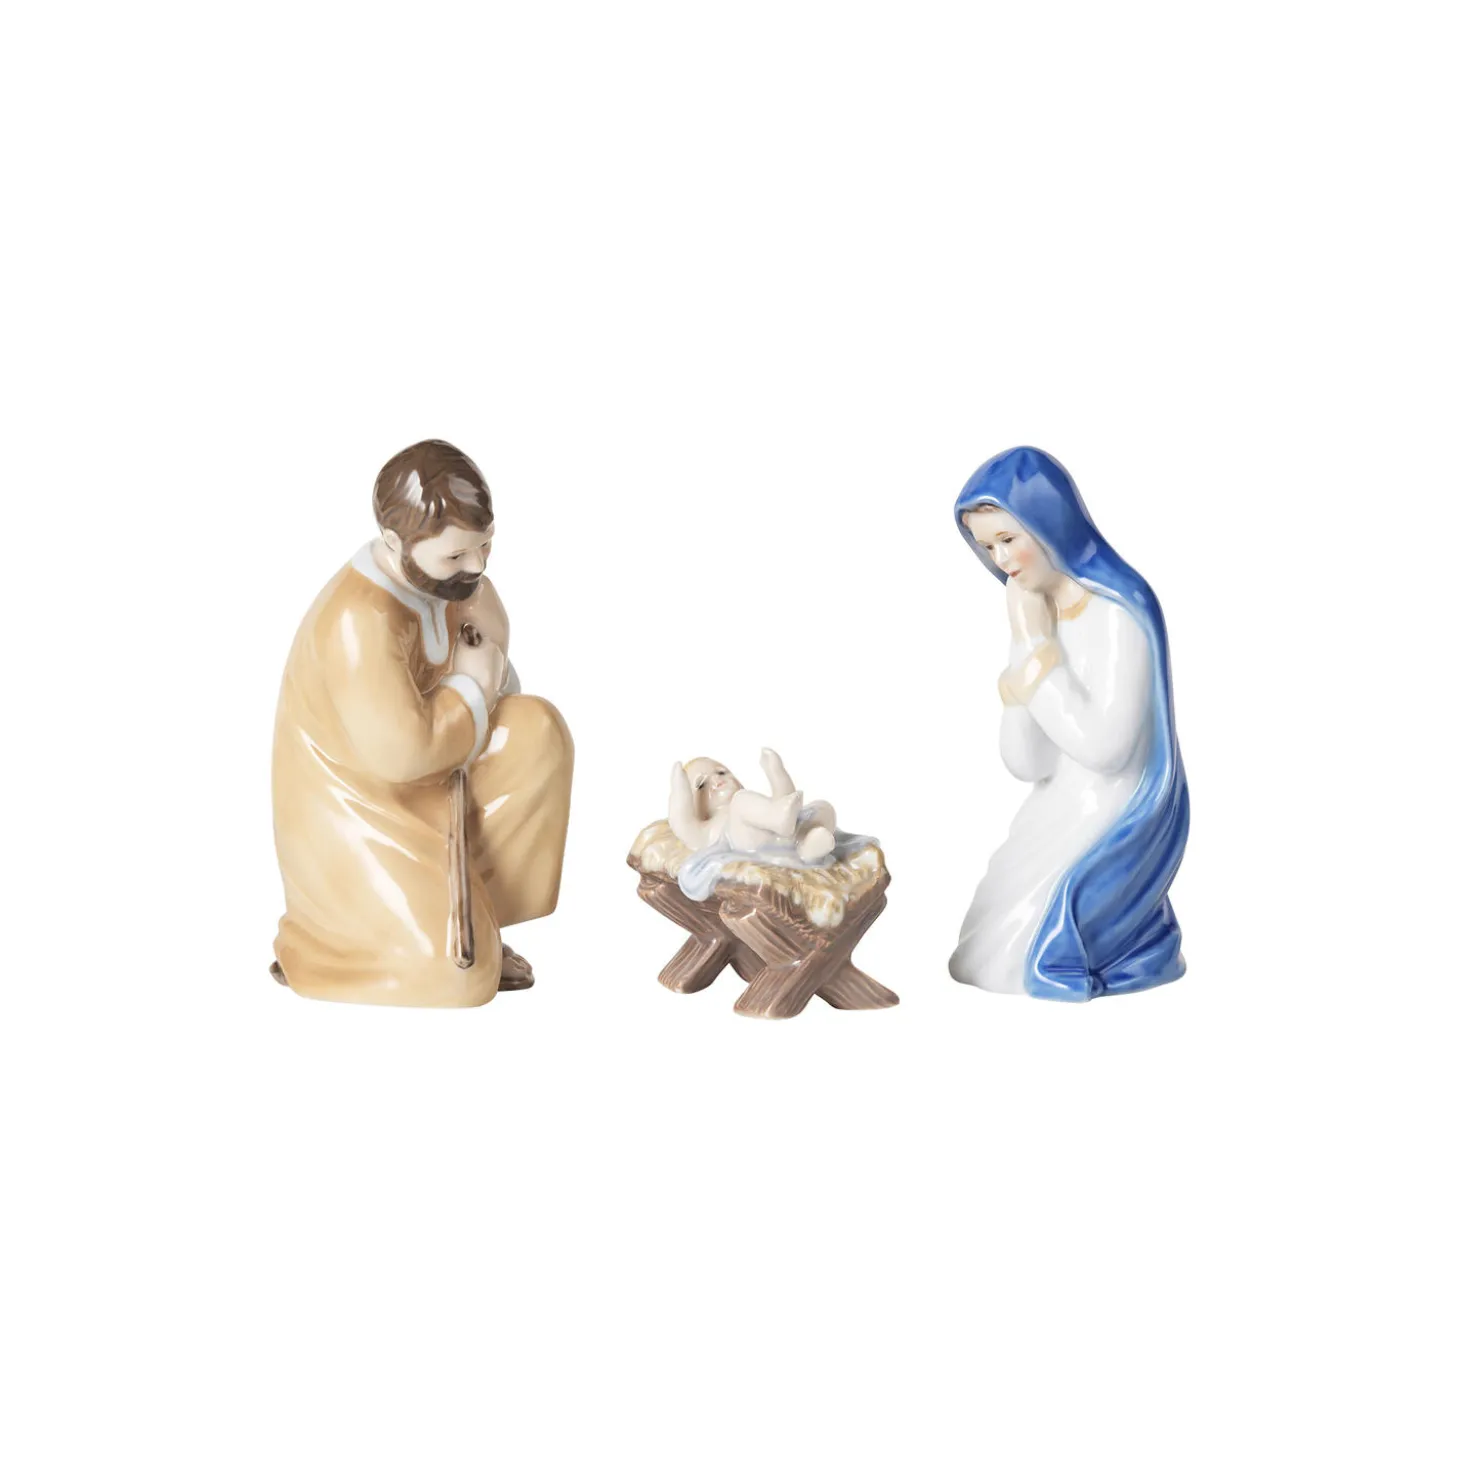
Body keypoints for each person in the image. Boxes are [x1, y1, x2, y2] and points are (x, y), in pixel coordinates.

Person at [270, 440, 573, 1007]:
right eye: (455, 556)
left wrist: (486, 657)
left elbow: (488, 667)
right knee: (458, 980)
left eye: (485, 546)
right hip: (360, 808)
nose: (477, 567)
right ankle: (331, 947)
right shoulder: (360, 619)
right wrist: (472, 683)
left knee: (534, 732)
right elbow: (403, 755)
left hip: (435, 778)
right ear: (394, 543)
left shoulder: (448, 585)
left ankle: (479, 919)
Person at [948, 446, 1189, 1000]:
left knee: (1013, 950)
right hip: (1059, 797)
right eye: (987, 546)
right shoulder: (1034, 607)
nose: (1001, 560)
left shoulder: (1119, 610)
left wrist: (1035, 648)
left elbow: (1106, 750)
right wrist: (1026, 645)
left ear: (1049, 521)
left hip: (1116, 805)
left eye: (1008, 539)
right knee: (983, 946)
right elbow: (1025, 763)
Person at [668, 749, 837, 861]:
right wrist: (679, 788)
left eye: (721, 772)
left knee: (823, 808)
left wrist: (776, 772)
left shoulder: (755, 805)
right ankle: (781, 822)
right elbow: (681, 821)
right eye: (701, 785)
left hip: (785, 838)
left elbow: (786, 801)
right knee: (741, 802)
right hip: (749, 846)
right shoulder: (705, 830)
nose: (717, 779)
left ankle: (807, 849)